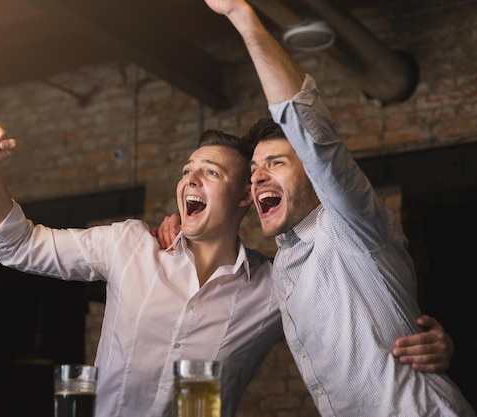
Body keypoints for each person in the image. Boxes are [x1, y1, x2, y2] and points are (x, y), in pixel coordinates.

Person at [0, 20, 453, 417]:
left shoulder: (274, 283)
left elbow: (353, 319)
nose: (190, 180)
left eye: (210, 172)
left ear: (244, 198)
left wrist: (436, 345)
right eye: (186, 171)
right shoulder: (130, 245)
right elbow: (17, 245)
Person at [197, 0, 476, 414]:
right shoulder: (281, 267)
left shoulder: (351, 222)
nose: (257, 177)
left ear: (312, 174)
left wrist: (241, 12)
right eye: (254, 169)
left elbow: (307, 126)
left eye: (275, 163)